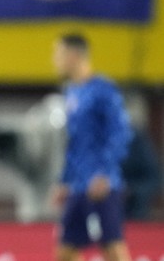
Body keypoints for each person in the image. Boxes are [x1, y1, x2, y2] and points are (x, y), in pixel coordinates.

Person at [51, 33, 132, 261]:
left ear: (74, 55)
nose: (54, 59)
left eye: (58, 53)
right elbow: (73, 143)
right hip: (77, 185)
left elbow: (120, 133)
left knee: (112, 247)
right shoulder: (71, 92)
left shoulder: (103, 90)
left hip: (101, 184)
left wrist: (104, 173)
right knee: (66, 250)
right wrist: (64, 180)